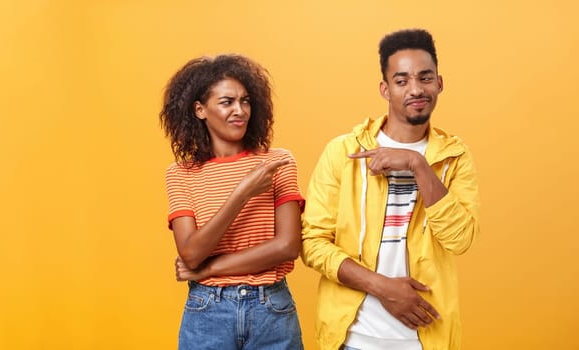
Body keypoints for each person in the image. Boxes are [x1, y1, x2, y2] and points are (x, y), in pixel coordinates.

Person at [301, 29, 481, 350]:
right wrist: (383, 287)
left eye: (425, 78)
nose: (415, 89)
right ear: (385, 89)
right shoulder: (343, 152)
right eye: (402, 81)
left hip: (425, 338)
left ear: (439, 83)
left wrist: (418, 164)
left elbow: (460, 239)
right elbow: (312, 243)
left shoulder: (454, 156)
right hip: (352, 338)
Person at [160, 54, 305, 350]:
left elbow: (287, 246)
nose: (240, 110)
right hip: (208, 312)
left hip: (272, 309)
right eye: (227, 102)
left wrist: (209, 269)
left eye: (246, 100)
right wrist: (242, 193)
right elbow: (191, 253)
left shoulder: (277, 162)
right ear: (200, 110)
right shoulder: (180, 175)